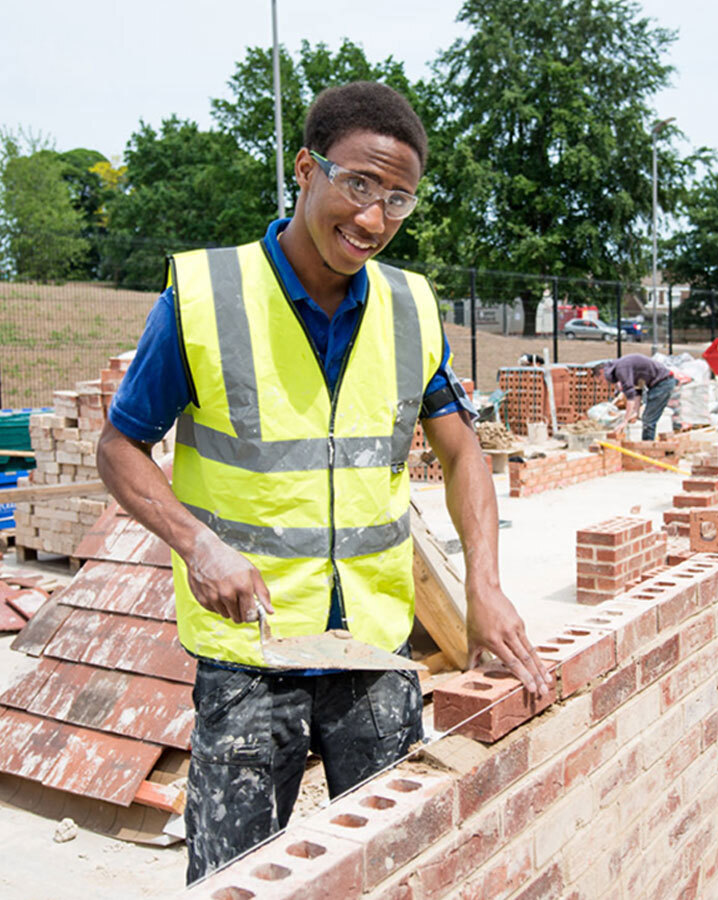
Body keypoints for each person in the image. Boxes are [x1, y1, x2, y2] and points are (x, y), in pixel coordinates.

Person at [93, 82, 551, 883]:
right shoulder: (207, 297)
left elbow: (463, 451)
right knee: (238, 879)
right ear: (306, 169)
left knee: (396, 867)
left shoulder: (411, 306)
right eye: (358, 185)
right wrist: (197, 544)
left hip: (373, 649)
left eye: (398, 199)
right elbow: (119, 447)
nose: (373, 219)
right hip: (250, 653)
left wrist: (485, 582)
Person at [602, 353, 678, 440]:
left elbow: (630, 397)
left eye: (601, 380)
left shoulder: (622, 369)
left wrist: (625, 421)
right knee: (647, 419)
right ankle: (646, 446)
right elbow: (637, 391)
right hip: (660, 382)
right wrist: (635, 412)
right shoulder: (624, 367)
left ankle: (647, 448)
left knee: (648, 419)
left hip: (663, 382)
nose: (604, 383)